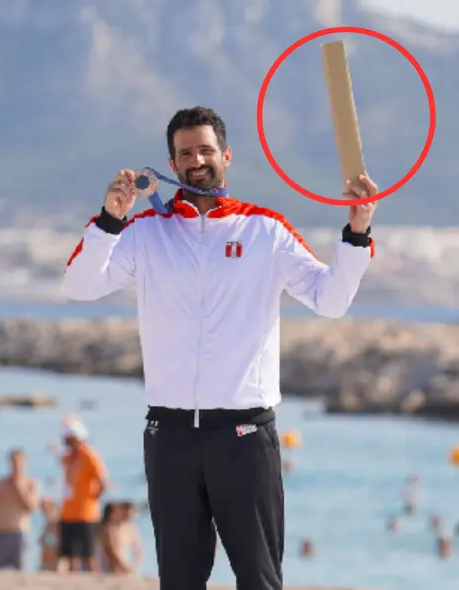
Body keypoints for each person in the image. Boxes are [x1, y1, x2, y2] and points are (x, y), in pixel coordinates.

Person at [61, 106, 377, 590]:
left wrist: (356, 233)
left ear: (226, 155)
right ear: (171, 162)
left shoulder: (265, 230)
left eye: (206, 149)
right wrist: (110, 218)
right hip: (169, 438)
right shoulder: (145, 232)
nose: (196, 160)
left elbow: (330, 300)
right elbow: (80, 286)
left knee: (259, 580)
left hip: (245, 437)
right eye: (185, 153)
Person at [57, 418, 108, 573]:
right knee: (70, 553)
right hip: (69, 511)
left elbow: (103, 480)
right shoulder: (70, 457)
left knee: (88, 552)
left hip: (86, 513)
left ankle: (94, 581)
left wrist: (94, 499)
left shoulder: (89, 455)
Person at [0, 448, 40, 570]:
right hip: (1, 533)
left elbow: (30, 507)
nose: (16, 465)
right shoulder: (0, 483)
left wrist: (19, 487)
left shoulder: (31, 483)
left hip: (19, 534)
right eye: (13, 462)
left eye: (19, 462)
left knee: (20, 571)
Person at [98, 501, 143, 575]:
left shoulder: (131, 529)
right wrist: (126, 568)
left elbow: (139, 550)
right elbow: (111, 552)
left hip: (122, 566)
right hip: (109, 569)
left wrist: (134, 566)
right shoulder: (109, 529)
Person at [37, 497, 61, 571]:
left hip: (54, 565)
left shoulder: (56, 522)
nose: (42, 508)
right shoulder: (47, 522)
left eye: (44, 506)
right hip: (45, 564)